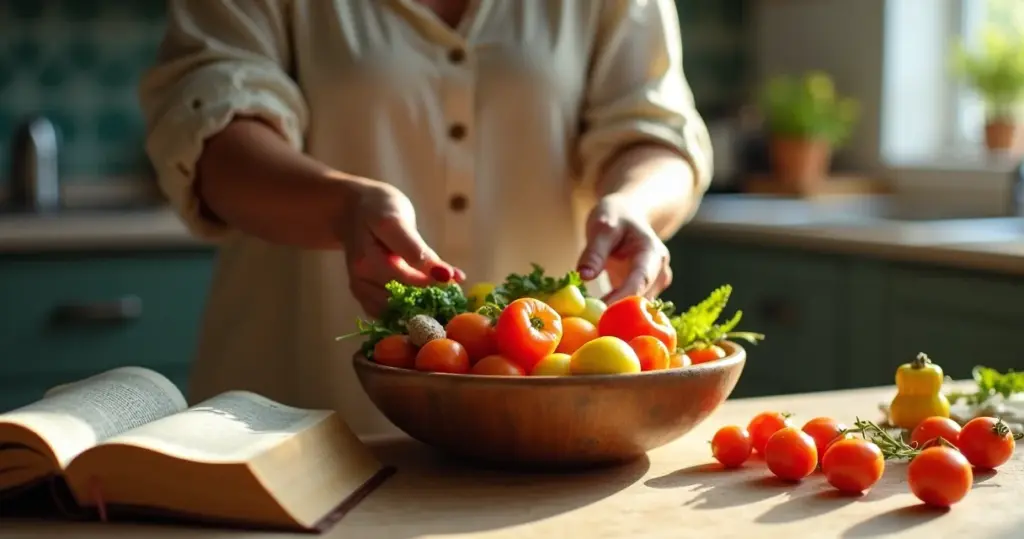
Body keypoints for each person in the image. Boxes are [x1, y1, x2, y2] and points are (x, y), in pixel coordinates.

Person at [139, 0, 713, 437]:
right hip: (287, 407)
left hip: (545, 437)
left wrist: (633, 202)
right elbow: (208, 132)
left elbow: (656, 130)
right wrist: (341, 208)